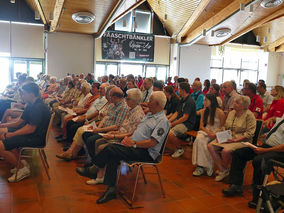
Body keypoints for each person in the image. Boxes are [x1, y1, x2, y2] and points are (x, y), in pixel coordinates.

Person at [75, 91, 170, 204]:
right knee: (113, 154)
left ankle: (94, 168)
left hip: (146, 152)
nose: (147, 103)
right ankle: (111, 190)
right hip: (135, 145)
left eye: (150, 101)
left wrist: (133, 143)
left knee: (111, 148)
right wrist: (129, 138)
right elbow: (137, 131)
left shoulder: (163, 121)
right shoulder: (149, 115)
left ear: (158, 104)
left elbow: (152, 142)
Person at [222, 116, 284, 210]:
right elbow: (279, 120)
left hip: (278, 152)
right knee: (239, 153)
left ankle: (259, 198)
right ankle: (236, 185)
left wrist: (264, 150)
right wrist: (273, 119)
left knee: (258, 161)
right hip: (267, 145)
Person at [85, 88, 145, 185]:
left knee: (101, 146)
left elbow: (131, 134)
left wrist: (113, 135)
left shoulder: (138, 114)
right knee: (97, 142)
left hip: (125, 140)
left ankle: (101, 175)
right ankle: (99, 173)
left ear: (135, 101)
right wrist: (114, 132)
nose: (125, 100)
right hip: (119, 134)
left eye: (128, 98)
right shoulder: (131, 109)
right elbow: (122, 126)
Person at [0, 83, 51, 182]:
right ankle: (20, 162)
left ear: (31, 94)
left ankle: (22, 168)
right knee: (3, 135)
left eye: (23, 93)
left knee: (1, 145)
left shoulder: (38, 107)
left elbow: (30, 129)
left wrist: (12, 134)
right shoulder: (31, 104)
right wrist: (3, 125)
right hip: (31, 135)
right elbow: (19, 122)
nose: (21, 96)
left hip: (35, 138)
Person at [208, 96, 256, 181]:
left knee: (225, 151)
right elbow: (226, 127)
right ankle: (223, 169)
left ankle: (224, 169)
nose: (234, 104)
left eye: (237, 103)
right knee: (210, 146)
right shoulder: (231, 113)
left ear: (244, 106)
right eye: (234, 102)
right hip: (229, 137)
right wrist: (220, 134)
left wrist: (235, 140)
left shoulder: (249, 115)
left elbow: (250, 133)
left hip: (242, 140)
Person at [192, 94, 225, 177]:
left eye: (206, 100)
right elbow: (201, 126)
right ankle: (201, 165)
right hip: (207, 131)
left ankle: (207, 166)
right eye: (204, 100)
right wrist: (208, 132)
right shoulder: (204, 111)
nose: (204, 102)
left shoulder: (220, 112)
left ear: (212, 101)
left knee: (206, 143)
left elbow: (223, 127)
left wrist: (215, 134)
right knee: (199, 139)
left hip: (217, 133)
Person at [167, 82, 196, 158]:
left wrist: (173, 124)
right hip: (181, 121)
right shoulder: (182, 99)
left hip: (187, 124)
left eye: (179, 88)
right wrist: (169, 121)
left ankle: (180, 149)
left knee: (170, 133)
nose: (177, 90)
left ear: (183, 90)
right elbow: (176, 113)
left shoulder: (190, 101)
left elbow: (185, 117)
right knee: (165, 127)